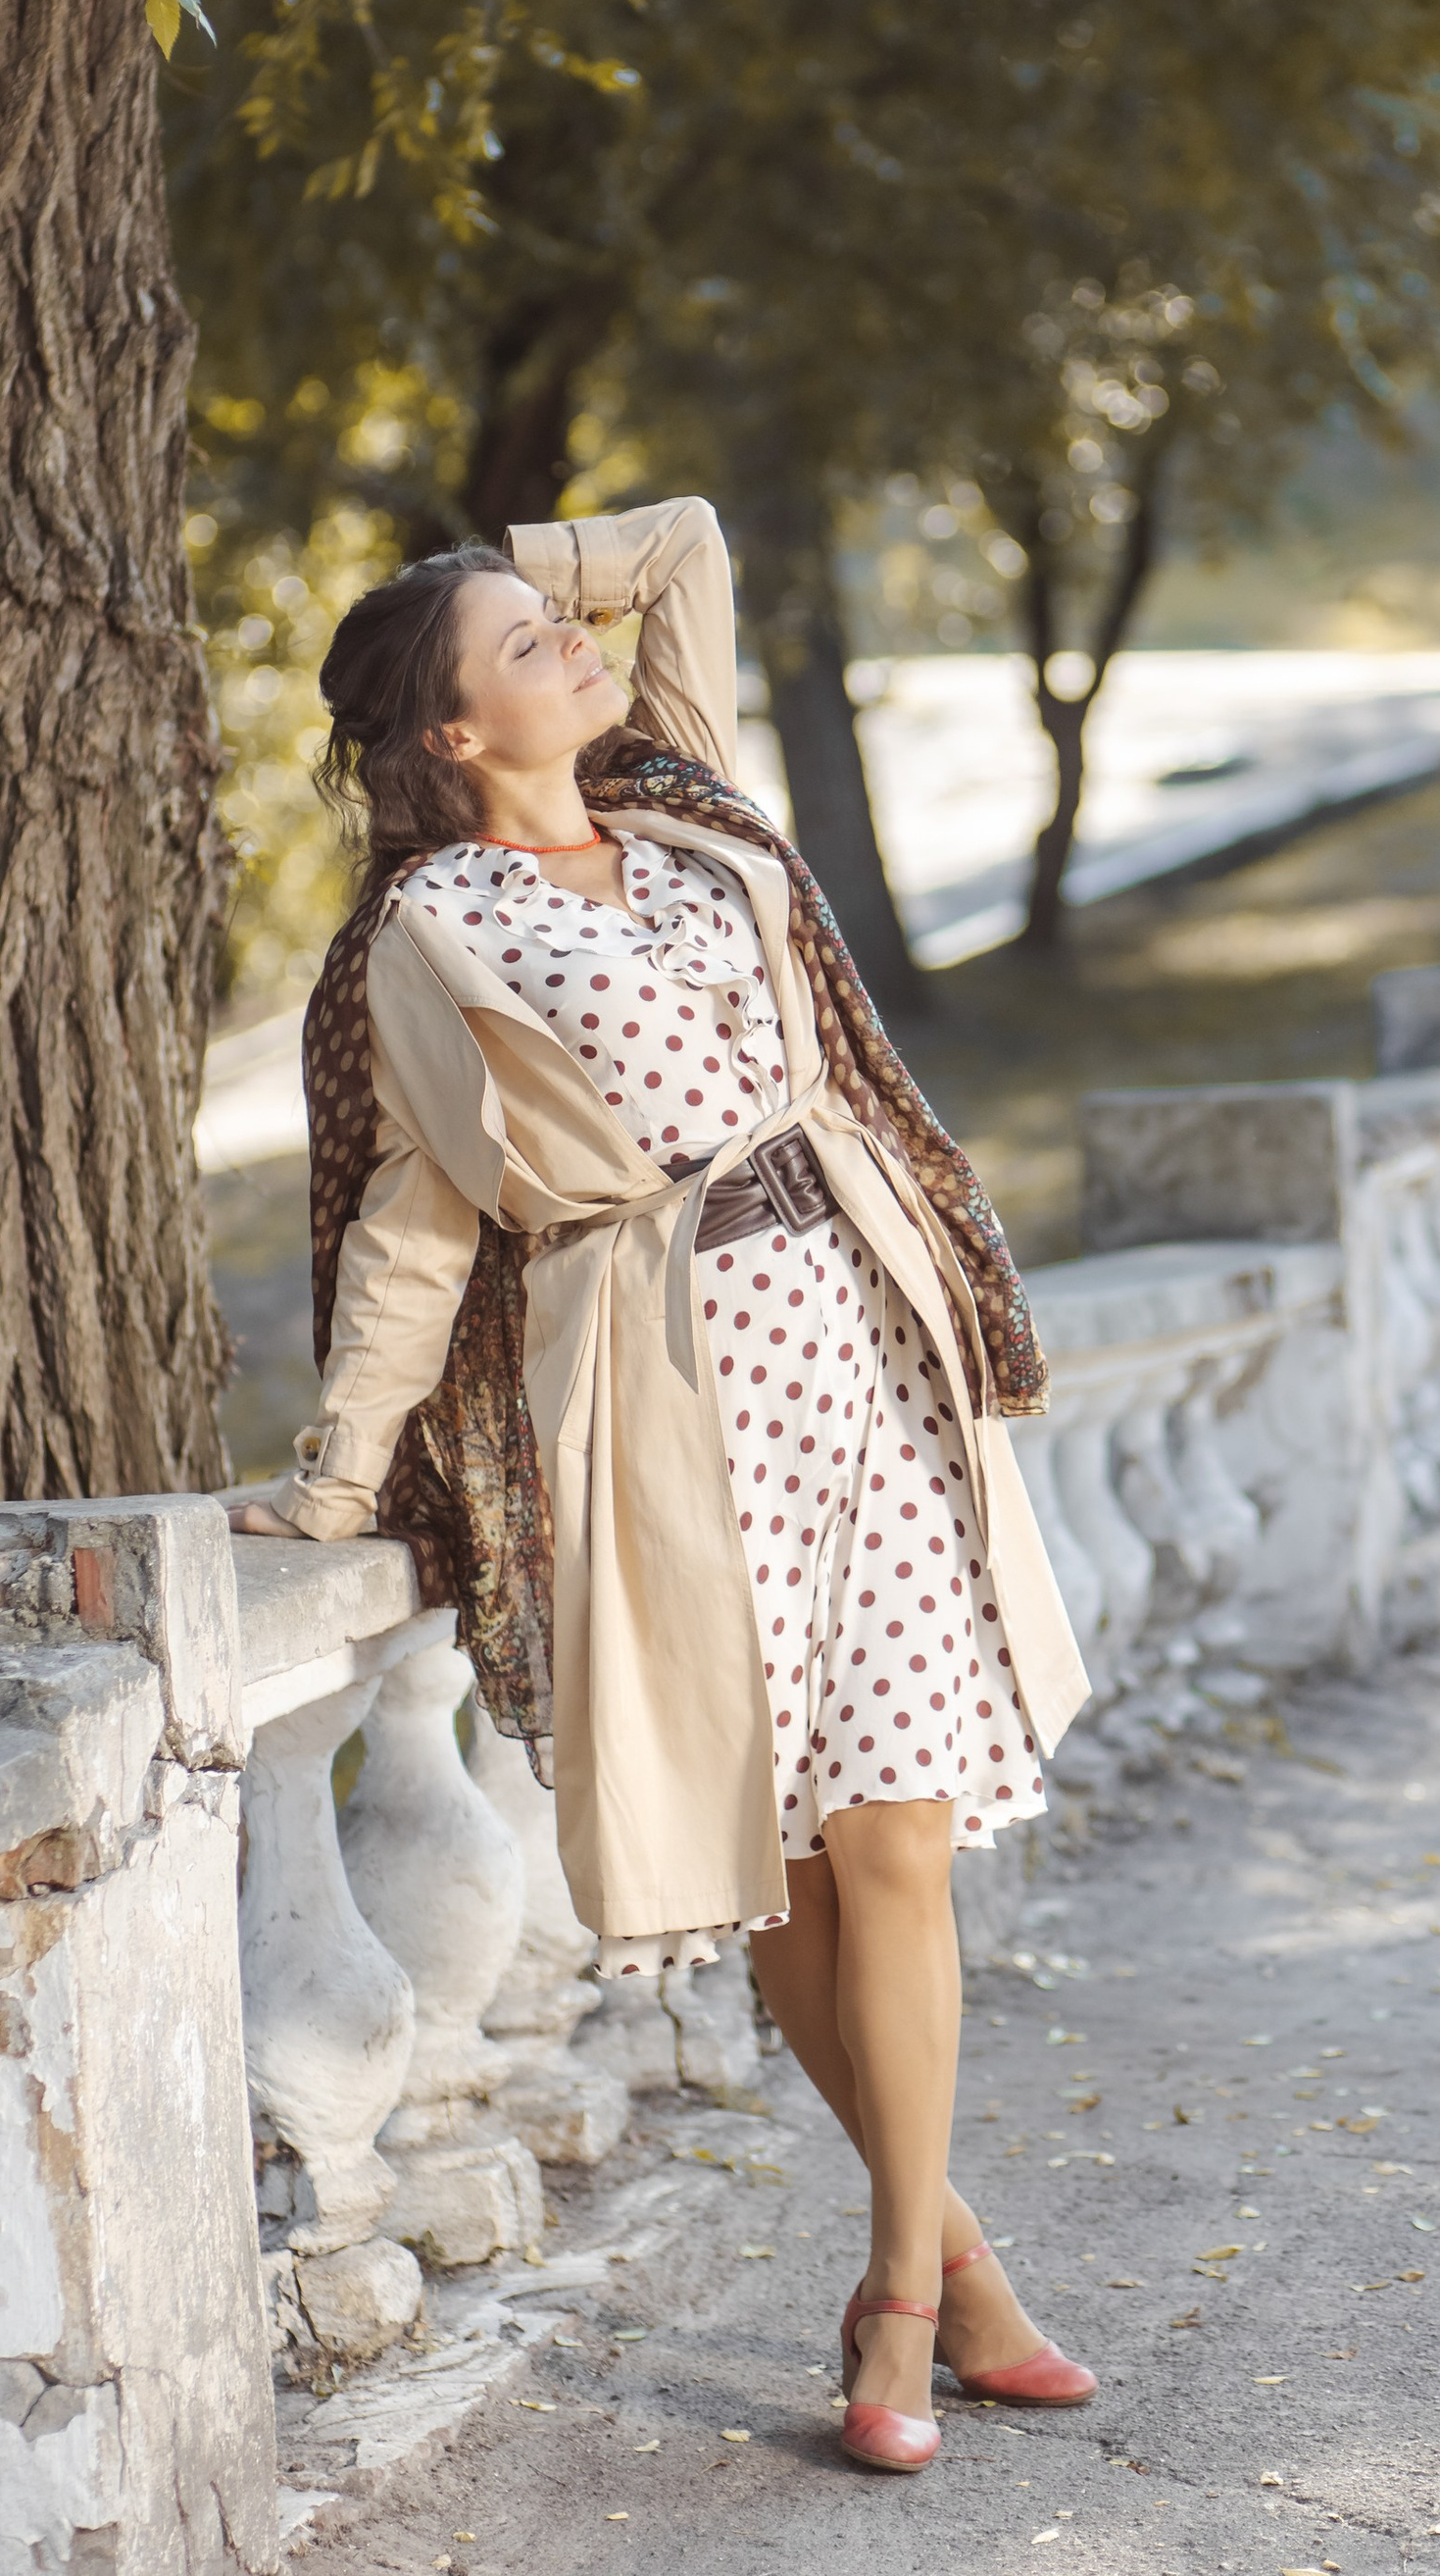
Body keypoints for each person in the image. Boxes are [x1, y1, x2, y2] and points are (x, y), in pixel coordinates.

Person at [229, 497, 1095, 2471]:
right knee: (774, 1852)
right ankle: (949, 2272)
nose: (571, 653)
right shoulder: (431, 931)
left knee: (894, 1829)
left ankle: (889, 2289)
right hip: (651, 1387)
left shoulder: (688, 805)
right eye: (522, 652)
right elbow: (410, 1216)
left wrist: (494, 566)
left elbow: (695, 543)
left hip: (859, 1353)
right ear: (448, 739)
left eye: (559, 628)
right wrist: (342, 1466)